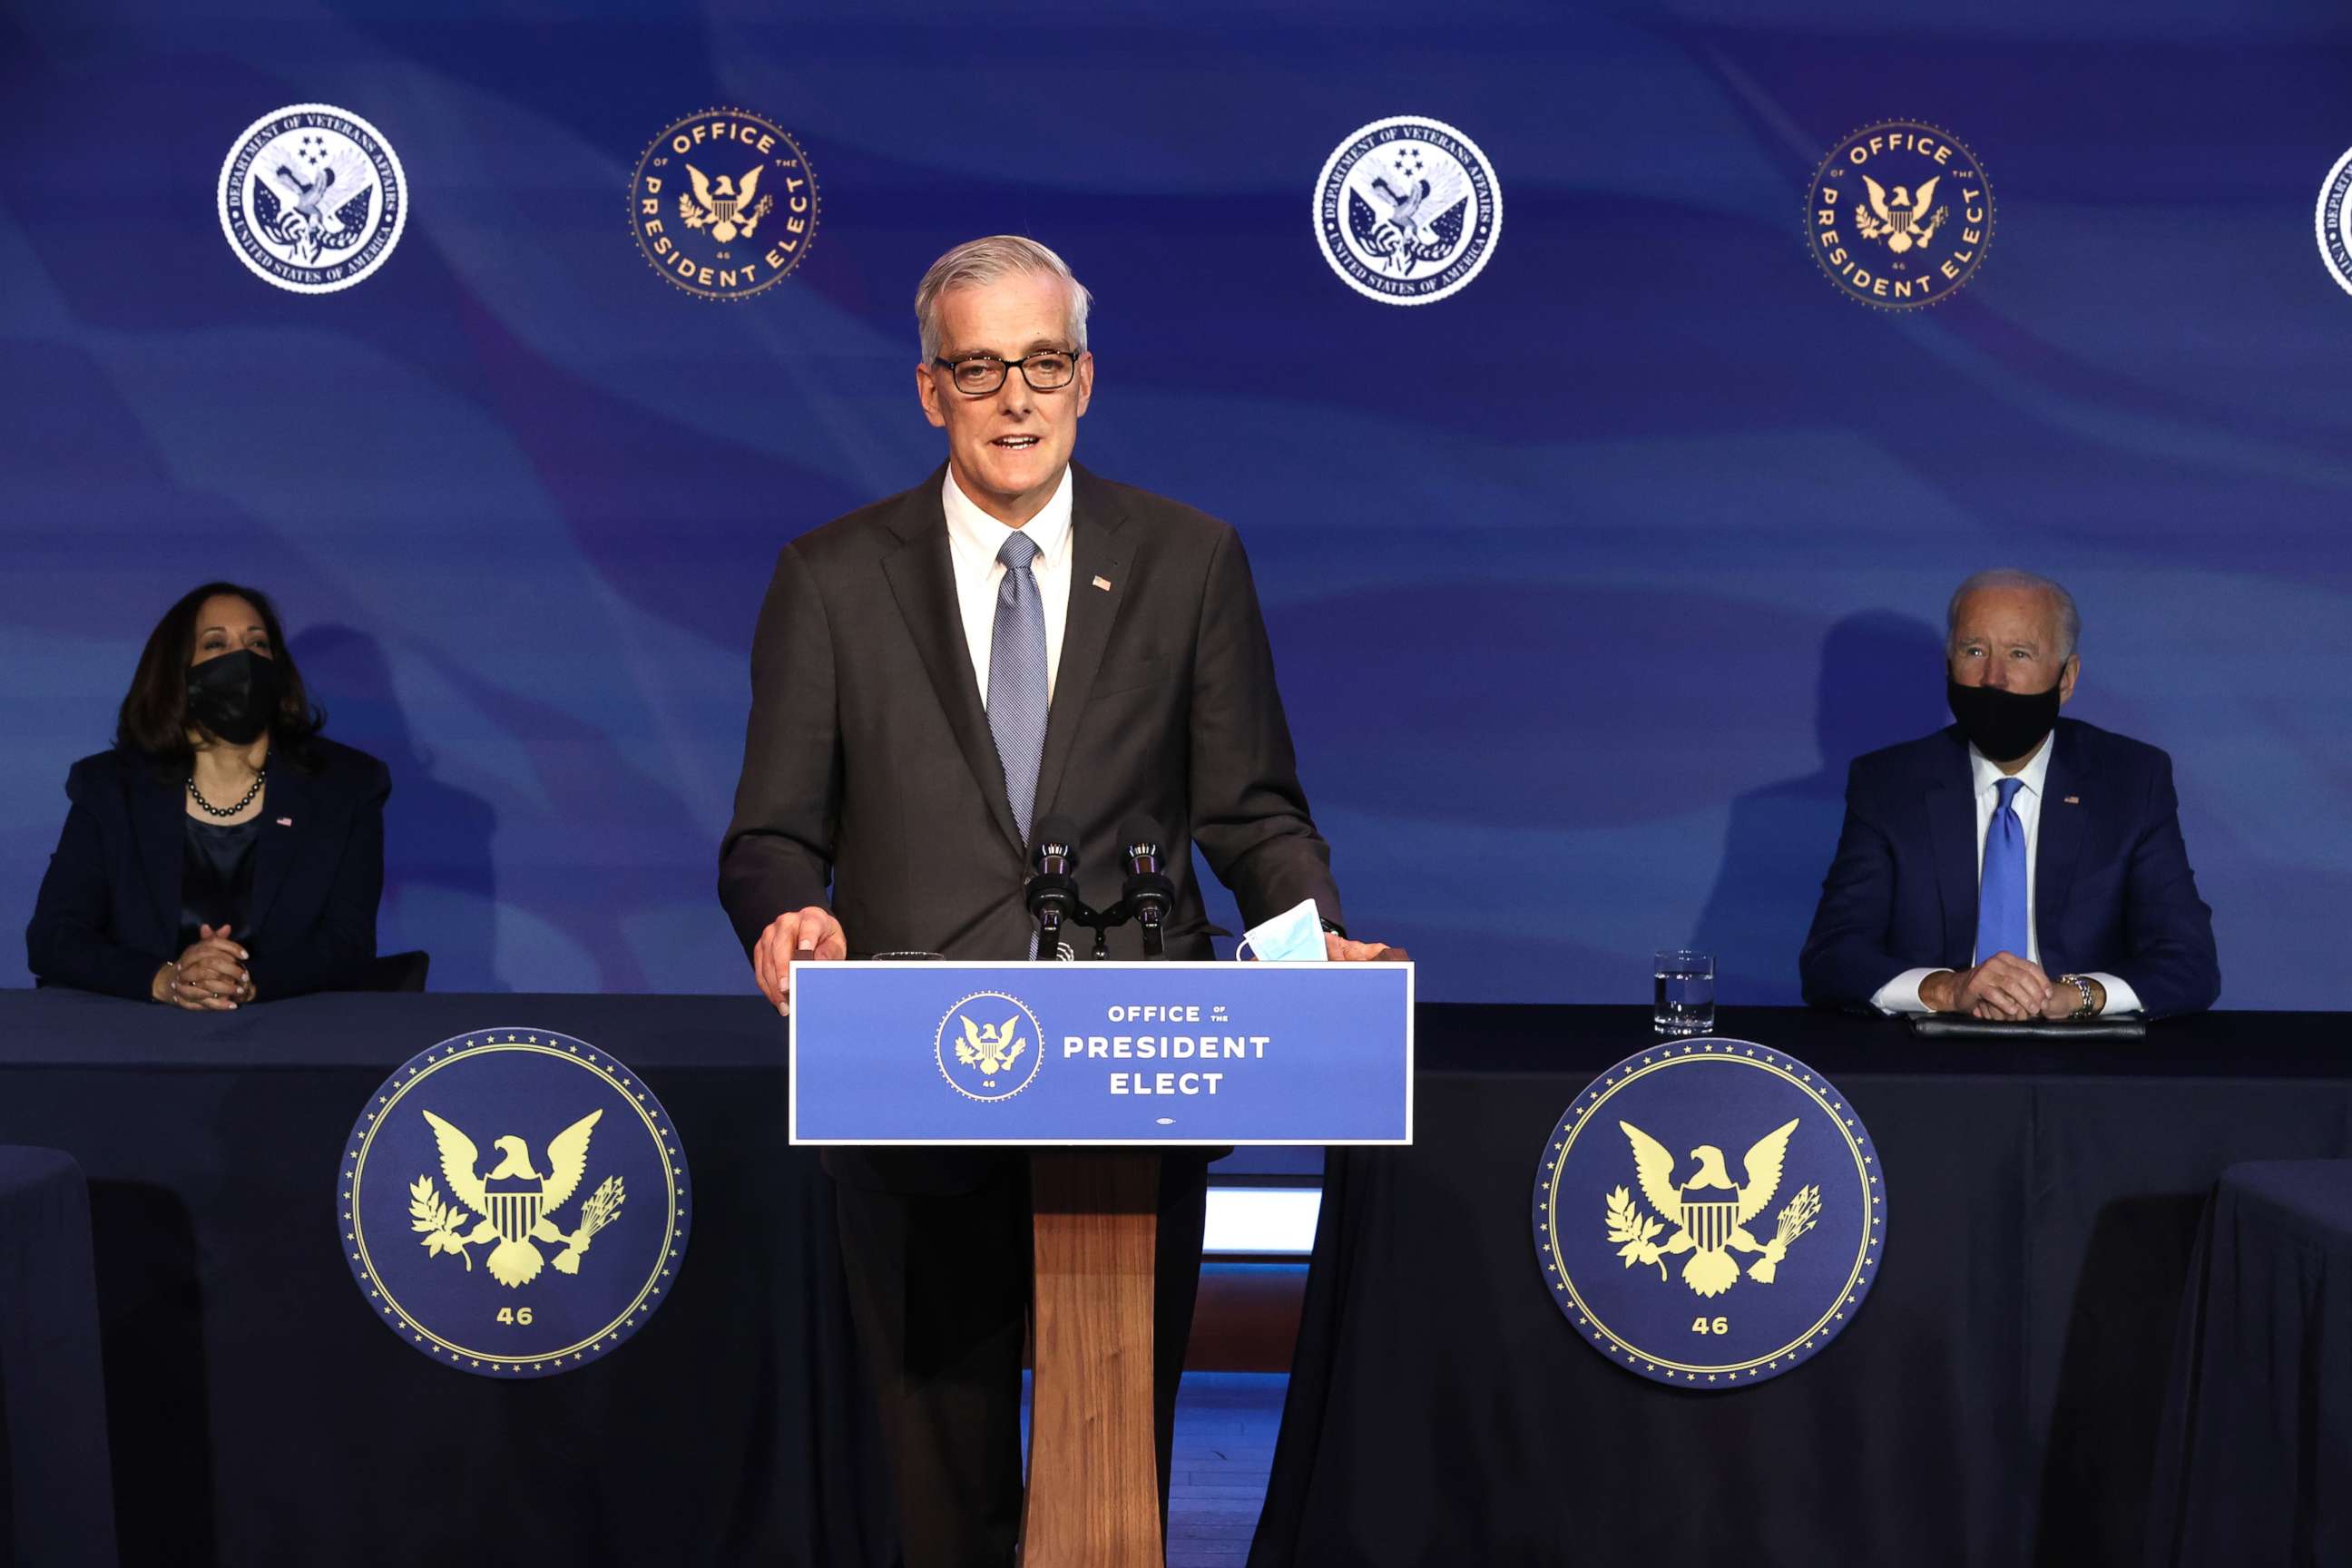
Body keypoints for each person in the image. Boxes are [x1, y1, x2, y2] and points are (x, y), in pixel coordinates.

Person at [718, 235, 1401, 1566]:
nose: (1016, 397)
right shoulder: (833, 578)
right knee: (939, 1477)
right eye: (981, 368)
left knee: (1114, 1465)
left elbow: (1252, 811)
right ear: (931, 392)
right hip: (919, 1079)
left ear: (1084, 379)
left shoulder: (1190, 561)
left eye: (1042, 364)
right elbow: (770, 833)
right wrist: (787, 913)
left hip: (1141, 1074)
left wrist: (1313, 946)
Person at [1799, 569, 2219, 1020]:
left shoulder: (2131, 780)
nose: (1992, 678)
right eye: (1974, 651)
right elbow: (1832, 958)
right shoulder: (1888, 783)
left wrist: (2074, 996)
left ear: (2067, 679)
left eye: (2019, 654)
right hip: (1928, 1059)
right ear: (1948, 665)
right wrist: (1947, 989)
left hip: (2084, 1062)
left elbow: (2189, 963)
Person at [26, 583, 390, 1007]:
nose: (244, 659)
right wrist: (167, 980)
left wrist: (246, 981)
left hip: (290, 1035)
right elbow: (54, 939)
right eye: (216, 644)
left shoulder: (346, 786)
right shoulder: (111, 788)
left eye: (258, 643)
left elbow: (348, 945)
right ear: (176, 672)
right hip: (137, 1040)